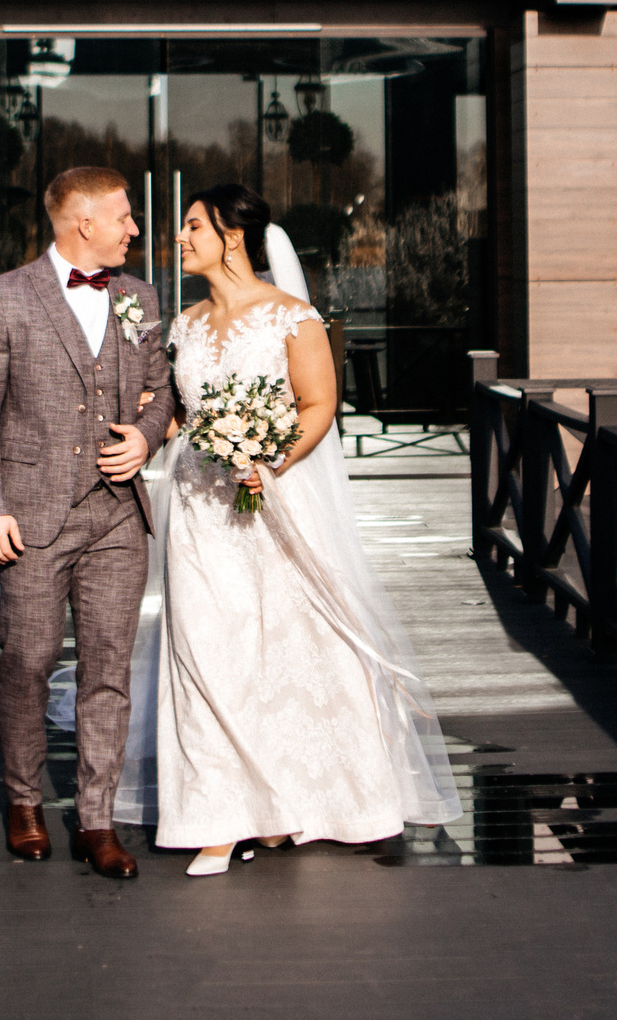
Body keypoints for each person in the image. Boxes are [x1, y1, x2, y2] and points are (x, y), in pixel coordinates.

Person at [114, 182, 462, 876]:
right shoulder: (182, 326)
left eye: (190, 226)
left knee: (290, 642)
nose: (177, 239)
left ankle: (300, 798)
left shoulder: (291, 318)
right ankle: (219, 814)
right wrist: (146, 431)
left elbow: (318, 403)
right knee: (205, 644)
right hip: (197, 506)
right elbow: (181, 415)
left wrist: (265, 459)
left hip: (271, 499)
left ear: (231, 235)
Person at [0, 165, 176, 880]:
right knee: (28, 659)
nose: (134, 229)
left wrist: (146, 434)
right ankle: (23, 801)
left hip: (116, 515)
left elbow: (164, 388)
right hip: (31, 513)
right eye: (124, 217)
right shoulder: (5, 296)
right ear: (84, 222)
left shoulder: (139, 297)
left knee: (108, 670)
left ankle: (96, 819)